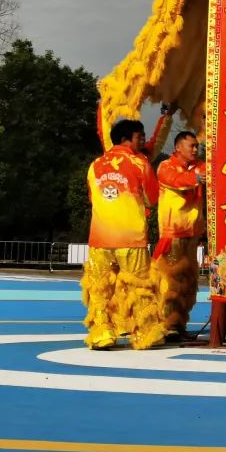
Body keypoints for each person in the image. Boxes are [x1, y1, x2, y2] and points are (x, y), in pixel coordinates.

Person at [80, 118, 165, 350]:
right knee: (139, 286)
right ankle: (145, 333)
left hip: (100, 238)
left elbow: (92, 198)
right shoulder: (140, 163)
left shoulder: (95, 165)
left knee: (99, 288)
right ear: (126, 139)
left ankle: (102, 333)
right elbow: (152, 198)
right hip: (131, 238)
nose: (143, 141)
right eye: (140, 137)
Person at [151, 130, 207, 340]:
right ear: (178, 147)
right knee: (170, 282)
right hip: (172, 234)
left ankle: (179, 322)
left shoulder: (200, 166)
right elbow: (176, 180)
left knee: (188, 282)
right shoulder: (166, 166)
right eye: (191, 146)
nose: (195, 149)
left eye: (196, 146)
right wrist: (198, 178)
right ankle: (167, 324)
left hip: (192, 235)